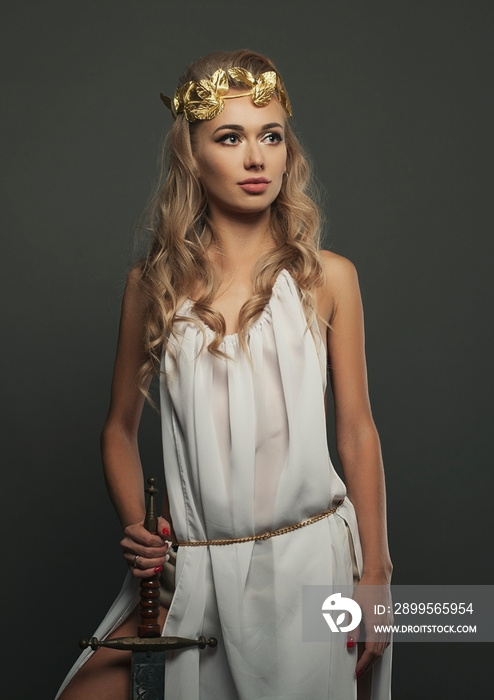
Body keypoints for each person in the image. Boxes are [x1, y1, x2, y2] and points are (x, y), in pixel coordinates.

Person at [56, 49, 392, 700]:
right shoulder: (150, 287)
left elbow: (356, 431)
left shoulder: (329, 279)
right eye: (230, 138)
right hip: (195, 572)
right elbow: (117, 432)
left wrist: (375, 577)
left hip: (309, 569)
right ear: (192, 155)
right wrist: (141, 530)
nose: (256, 157)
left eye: (271, 135)